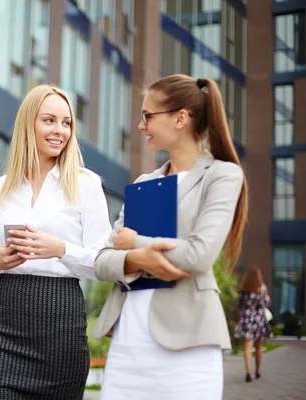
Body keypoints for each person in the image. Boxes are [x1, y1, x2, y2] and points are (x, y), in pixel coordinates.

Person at [92, 74, 249, 399]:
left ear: (180, 118)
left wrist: (134, 244)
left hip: (187, 347)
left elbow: (198, 256)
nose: (140, 125)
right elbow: (102, 262)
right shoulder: (145, 181)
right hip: (127, 345)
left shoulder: (222, 175)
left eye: (148, 116)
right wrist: (138, 258)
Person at [0, 84, 112, 399]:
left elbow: (103, 263)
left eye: (66, 123)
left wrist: (60, 250)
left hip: (60, 321)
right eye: (49, 120)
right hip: (0, 321)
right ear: (28, 124)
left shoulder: (86, 185)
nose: (59, 130)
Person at [234, 266, 273, 382]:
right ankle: (258, 371)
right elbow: (267, 303)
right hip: (259, 318)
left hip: (247, 319)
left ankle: (248, 372)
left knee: (247, 347)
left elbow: (239, 305)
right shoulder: (262, 288)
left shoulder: (243, 288)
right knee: (259, 347)